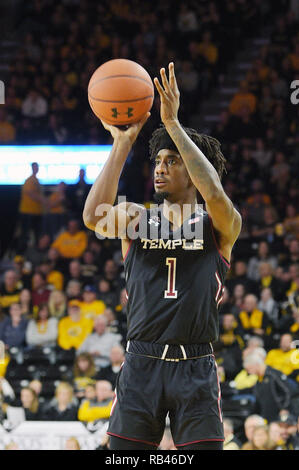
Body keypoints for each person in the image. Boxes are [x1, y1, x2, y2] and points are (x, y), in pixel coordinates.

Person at [83, 63, 242, 450]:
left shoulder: (218, 224)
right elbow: (92, 216)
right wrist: (122, 144)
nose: (160, 167)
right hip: (141, 362)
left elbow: (216, 195)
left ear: (192, 171)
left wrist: (173, 125)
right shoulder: (137, 217)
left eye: (171, 161)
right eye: (157, 161)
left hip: (196, 364)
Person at [18, 162, 46, 253]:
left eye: (37, 167)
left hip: (36, 212)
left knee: (36, 234)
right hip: (27, 212)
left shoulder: (36, 180)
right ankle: (22, 253)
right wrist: (44, 200)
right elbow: (31, 193)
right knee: (25, 235)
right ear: (32, 168)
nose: (36, 169)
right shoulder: (29, 180)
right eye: (34, 167)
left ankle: (35, 253)